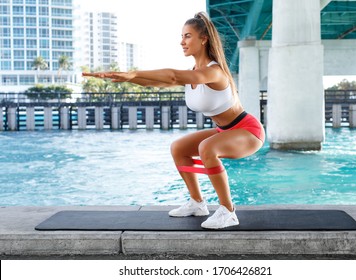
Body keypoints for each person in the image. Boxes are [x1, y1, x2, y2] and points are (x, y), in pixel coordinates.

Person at [82, 12, 265, 229]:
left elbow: (172, 76)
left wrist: (132, 73)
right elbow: (155, 83)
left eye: (187, 36)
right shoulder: (193, 73)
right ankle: (198, 203)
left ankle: (228, 211)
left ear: (203, 39)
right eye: (182, 36)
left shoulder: (214, 72)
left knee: (207, 147)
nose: (182, 42)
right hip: (225, 131)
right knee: (179, 148)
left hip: (248, 131)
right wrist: (121, 76)